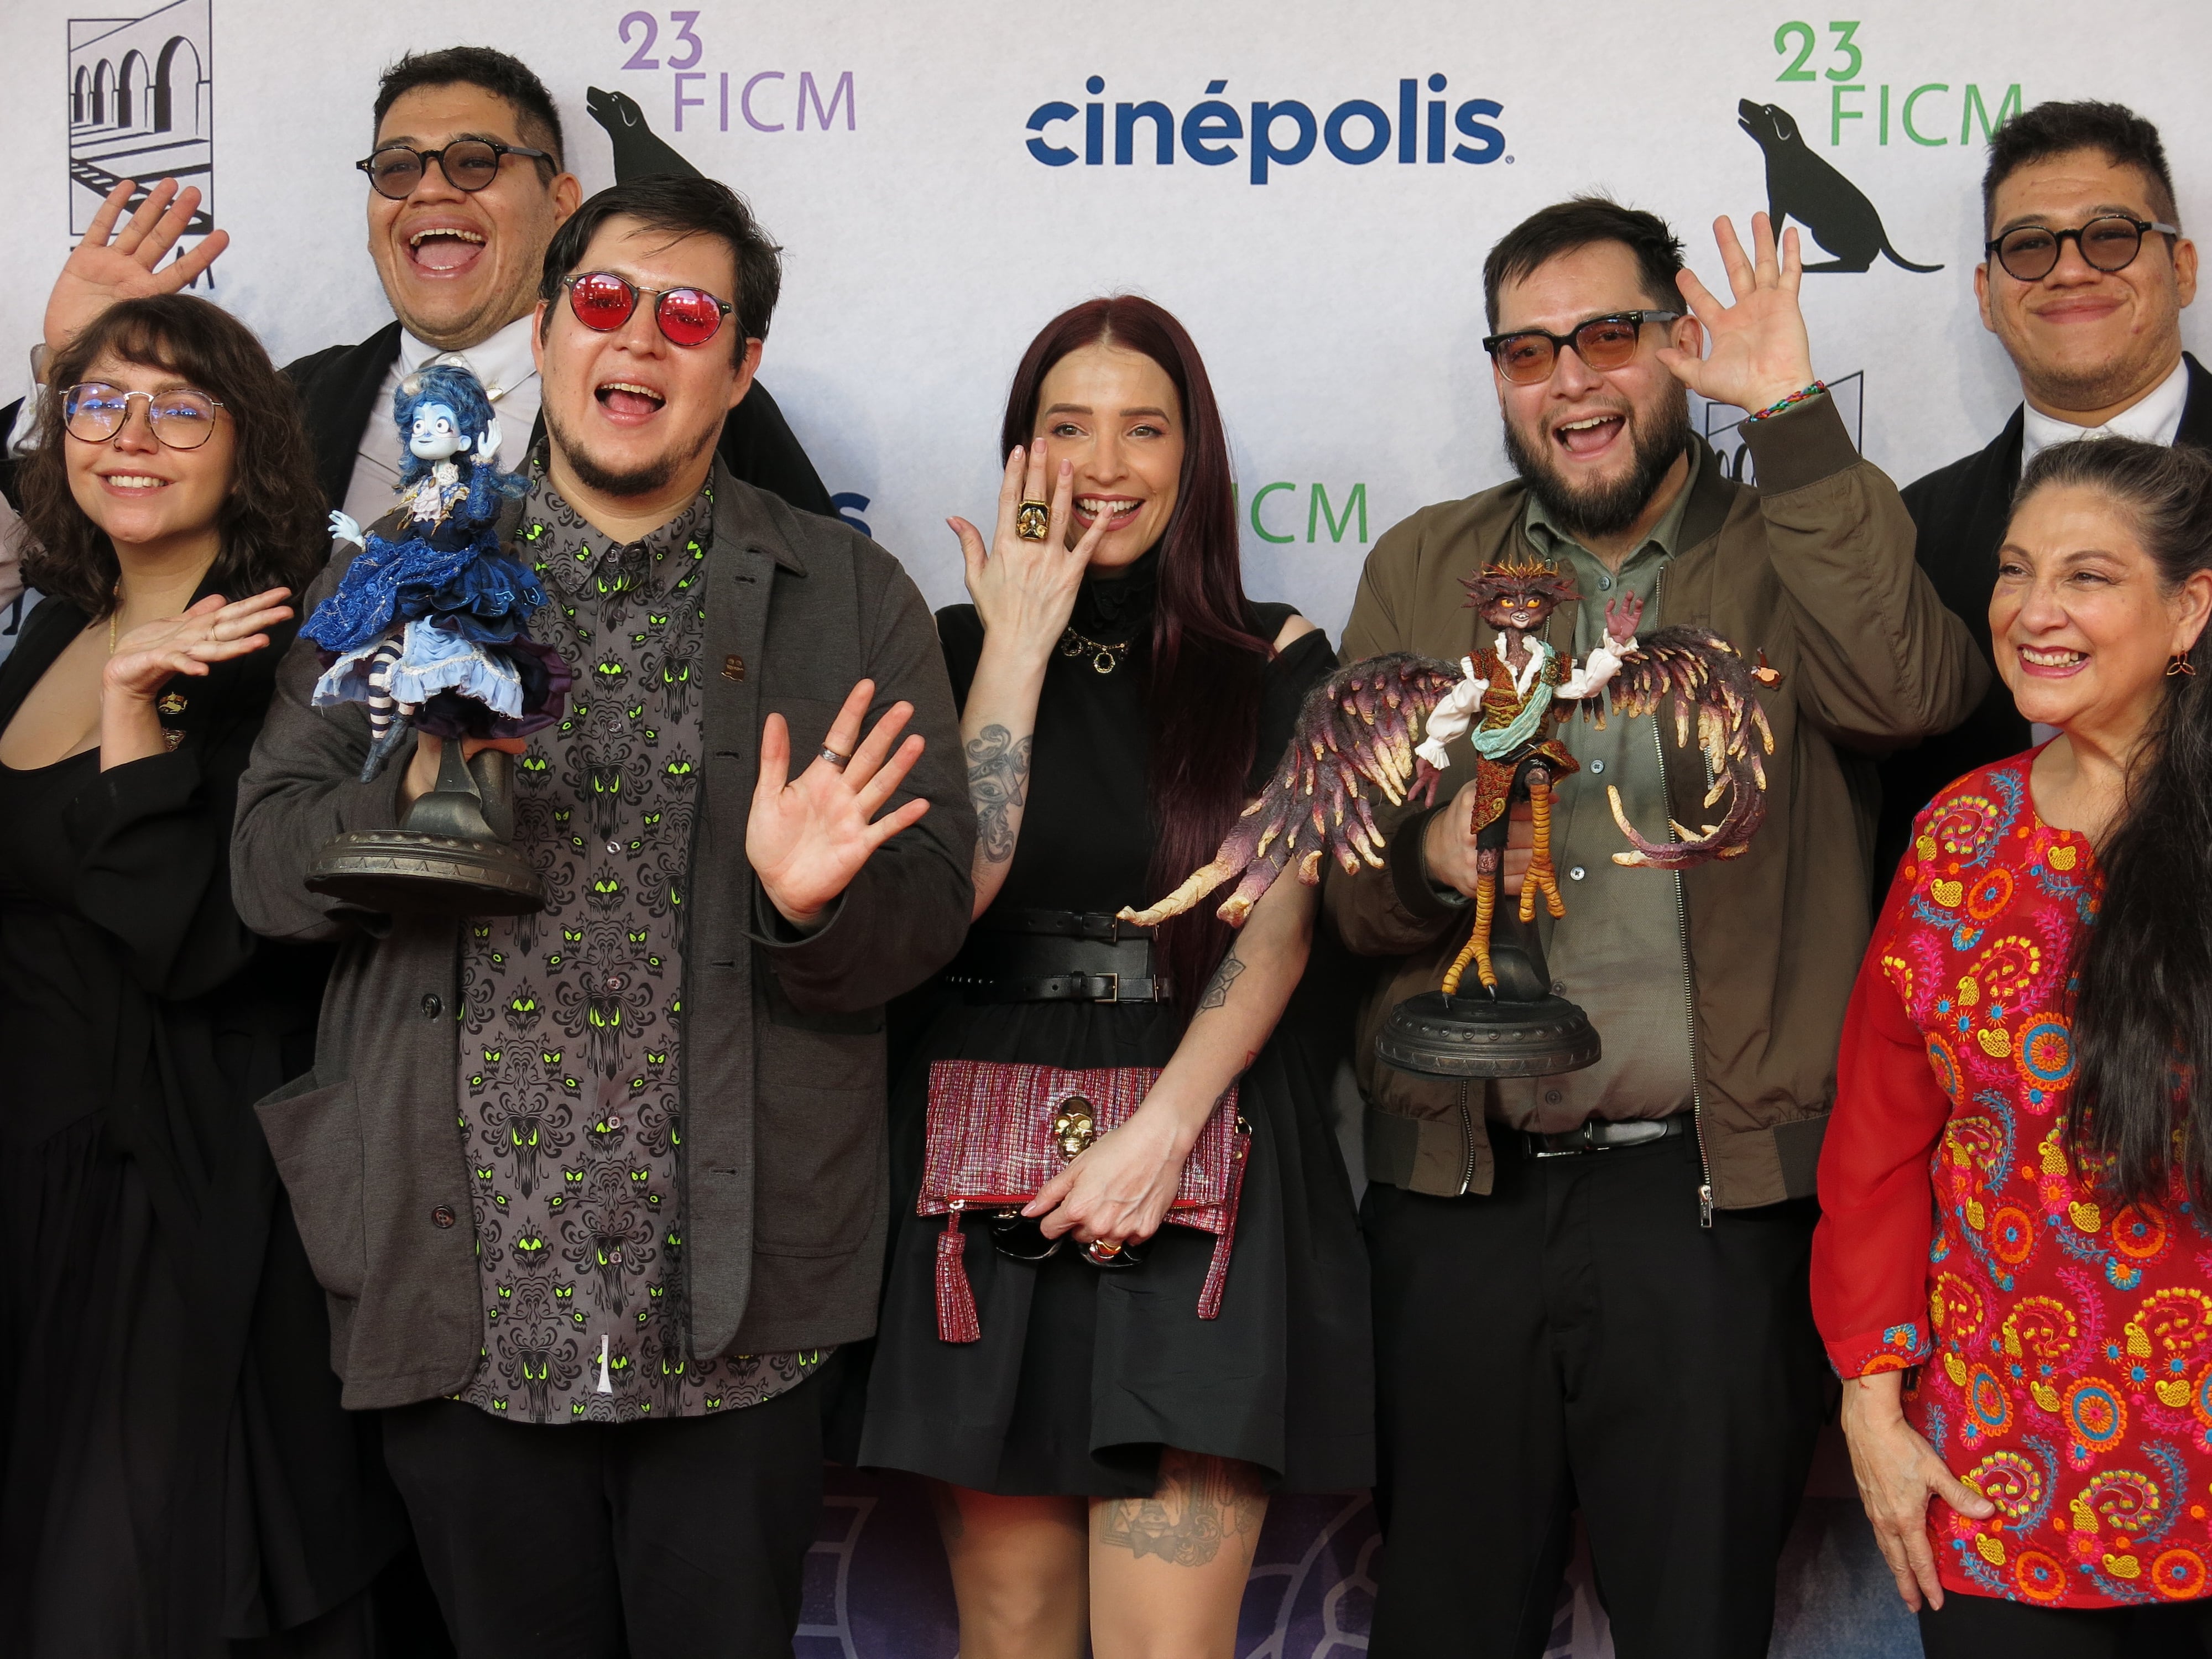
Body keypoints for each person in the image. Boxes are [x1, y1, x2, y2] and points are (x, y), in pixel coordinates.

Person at [229, 174, 973, 1656]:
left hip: (735, 1300)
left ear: (739, 366)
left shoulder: (847, 590)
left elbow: (930, 908)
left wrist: (809, 904)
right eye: (607, 302)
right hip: (463, 1287)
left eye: (690, 316)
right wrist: (421, 786)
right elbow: (264, 868)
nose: (641, 342)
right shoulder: (403, 571)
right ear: (552, 328)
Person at [1327, 196, 1985, 1657]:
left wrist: (1798, 422)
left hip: (1710, 1209)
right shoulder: (1425, 567)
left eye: (1610, 337)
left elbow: (1912, 695)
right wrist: (1433, 854)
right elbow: (1347, 892)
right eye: (1528, 351)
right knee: (1445, 1624)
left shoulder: (1785, 537)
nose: (1570, 380)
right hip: (1461, 1204)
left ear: (1677, 351)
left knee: (1696, 1626)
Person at [855, 295, 1370, 1659]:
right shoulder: (950, 651)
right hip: (976, 1165)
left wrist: (1161, 1132)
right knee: (1012, 1628)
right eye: (1065, 427)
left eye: (1143, 428)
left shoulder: (1274, 654)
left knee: (1166, 1645)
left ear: (1192, 457)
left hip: (1203, 1147)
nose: (1103, 463)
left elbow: (1278, 926)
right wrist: (1016, 644)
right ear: (1019, 453)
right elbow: (954, 888)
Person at [0, 295, 412, 1653]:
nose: (130, 437)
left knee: (136, 1594)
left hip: (180, 1193)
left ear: (253, 446)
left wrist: (135, 723)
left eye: (180, 408)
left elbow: (199, 941)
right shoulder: (56, 621)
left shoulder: (291, 653)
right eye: (97, 403)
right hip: (35, 1172)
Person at [1816, 436, 2212, 1657]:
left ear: (2187, 608)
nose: (2034, 613)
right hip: (1996, 1471)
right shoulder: (1956, 835)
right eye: (2012, 573)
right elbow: (1879, 1145)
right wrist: (1870, 1401)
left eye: (2086, 578)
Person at [7, 46, 833, 527]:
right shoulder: (291, 399)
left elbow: (816, 620)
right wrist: (73, 365)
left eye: (475, 161)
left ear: (561, 205)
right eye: (397, 167)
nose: (431, 191)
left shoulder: (688, 399)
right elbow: (102, 545)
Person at [1875, 100, 2204, 884]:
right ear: (1987, 293)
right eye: (2030, 246)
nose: (2069, 268)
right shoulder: (1915, 529)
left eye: (2112, 236)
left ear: (2182, 268)